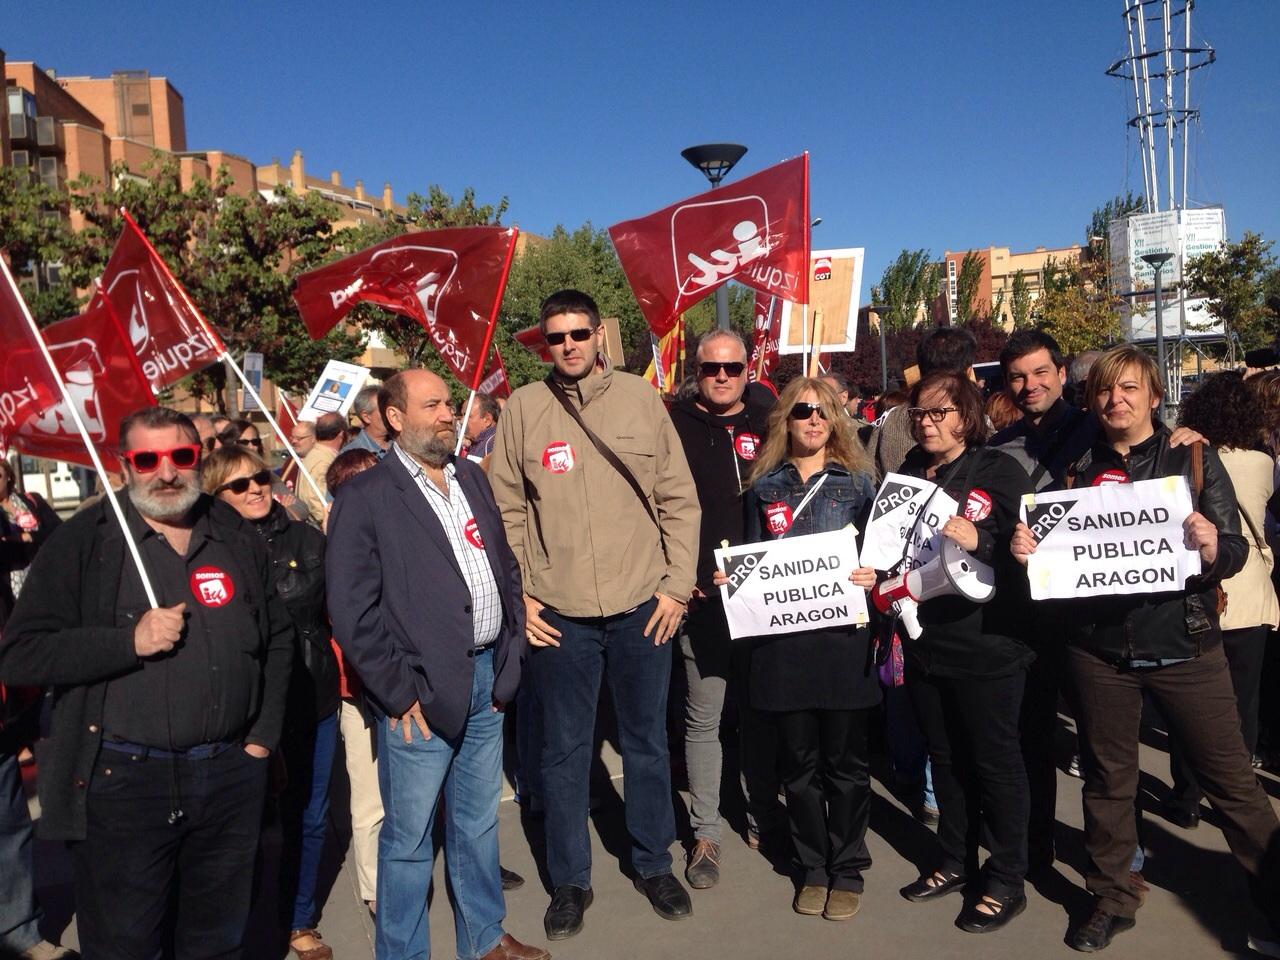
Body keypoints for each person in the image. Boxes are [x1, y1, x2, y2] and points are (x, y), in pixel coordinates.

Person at [1012, 345, 1280, 953]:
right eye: (1106, 391)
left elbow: (1233, 551)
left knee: (1233, 782)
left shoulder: (1190, 456)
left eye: (1130, 389)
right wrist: (1031, 549)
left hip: (1185, 645)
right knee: (1109, 783)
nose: (1117, 401)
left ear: (1155, 397)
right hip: (1099, 652)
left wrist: (1214, 548)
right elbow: (1059, 558)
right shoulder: (1076, 467)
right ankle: (1112, 895)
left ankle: (1272, 896)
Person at [0, 406, 294, 960]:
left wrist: (261, 739)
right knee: (126, 944)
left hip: (229, 773)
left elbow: (277, 638)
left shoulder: (232, 529)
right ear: (122, 466)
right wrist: (126, 641)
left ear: (199, 459)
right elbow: (20, 655)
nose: (166, 472)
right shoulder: (84, 540)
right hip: (124, 784)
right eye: (147, 459)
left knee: (218, 942)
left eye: (181, 456)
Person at [489, 289, 700, 940]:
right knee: (562, 753)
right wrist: (523, 595)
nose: (569, 345)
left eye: (579, 333)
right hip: (563, 614)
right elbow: (507, 513)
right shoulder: (524, 410)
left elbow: (677, 499)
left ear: (599, 336)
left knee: (644, 743)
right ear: (544, 345)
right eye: (556, 338)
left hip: (644, 606)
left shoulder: (640, 399)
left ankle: (651, 861)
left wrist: (676, 587)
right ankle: (571, 881)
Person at [326, 369, 545, 960]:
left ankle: (486, 939)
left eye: (450, 403)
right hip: (418, 696)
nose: (450, 413)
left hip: (487, 683)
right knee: (409, 840)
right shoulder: (365, 497)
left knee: (476, 827)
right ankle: (403, 953)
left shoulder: (471, 478)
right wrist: (398, 692)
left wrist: (510, 659)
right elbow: (352, 610)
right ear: (395, 418)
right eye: (434, 405)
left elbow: (504, 569)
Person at [718, 377, 880, 921]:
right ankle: (813, 866)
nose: (814, 420)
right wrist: (733, 579)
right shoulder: (762, 485)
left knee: (847, 765)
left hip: (842, 645)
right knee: (800, 766)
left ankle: (848, 866)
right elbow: (748, 555)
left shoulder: (859, 483)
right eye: (803, 411)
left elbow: (885, 556)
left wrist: (873, 575)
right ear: (784, 420)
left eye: (825, 411)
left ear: (836, 420)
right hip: (784, 648)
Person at [894, 371, 1034, 934]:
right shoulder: (907, 470)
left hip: (986, 645)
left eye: (941, 412)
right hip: (927, 641)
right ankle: (954, 858)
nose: (928, 424)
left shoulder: (997, 468)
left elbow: (1030, 544)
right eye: (920, 414)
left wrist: (987, 541)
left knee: (995, 762)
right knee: (945, 757)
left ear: (966, 415)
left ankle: (1006, 879)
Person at [203, 447, 341, 960]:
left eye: (260, 477)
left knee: (308, 814)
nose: (256, 489)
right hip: (239, 707)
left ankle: (298, 919)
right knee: (239, 825)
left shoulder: (308, 538)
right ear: (215, 494)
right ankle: (232, 927)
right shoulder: (206, 550)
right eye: (239, 485)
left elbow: (339, 609)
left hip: (311, 696)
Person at [668, 329, 777, 887]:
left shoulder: (773, 418)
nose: (722, 377)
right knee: (704, 718)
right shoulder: (674, 425)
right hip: (704, 601)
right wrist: (683, 576)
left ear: (746, 368)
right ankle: (705, 832)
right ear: (697, 368)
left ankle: (761, 811)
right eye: (712, 368)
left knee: (761, 713)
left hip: (767, 602)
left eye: (732, 369)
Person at [1164, 371, 1279, 819]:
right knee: (1242, 704)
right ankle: (1238, 790)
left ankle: (1187, 793)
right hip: (1251, 592)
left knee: (1186, 703)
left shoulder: (1187, 457)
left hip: (1200, 593)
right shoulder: (1263, 462)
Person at [299, 412, 345, 522]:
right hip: (323, 526)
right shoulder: (323, 461)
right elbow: (317, 500)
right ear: (341, 434)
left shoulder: (317, 455)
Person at [340, 385, 391, 459]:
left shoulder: (402, 443)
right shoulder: (349, 457)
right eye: (384, 409)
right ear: (366, 417)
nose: (392, 413)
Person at [464, 393, 502, 463]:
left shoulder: (493, 445)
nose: (462, 421)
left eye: (468, 416)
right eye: (463, 415)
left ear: (487, 420)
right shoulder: (476, 443)